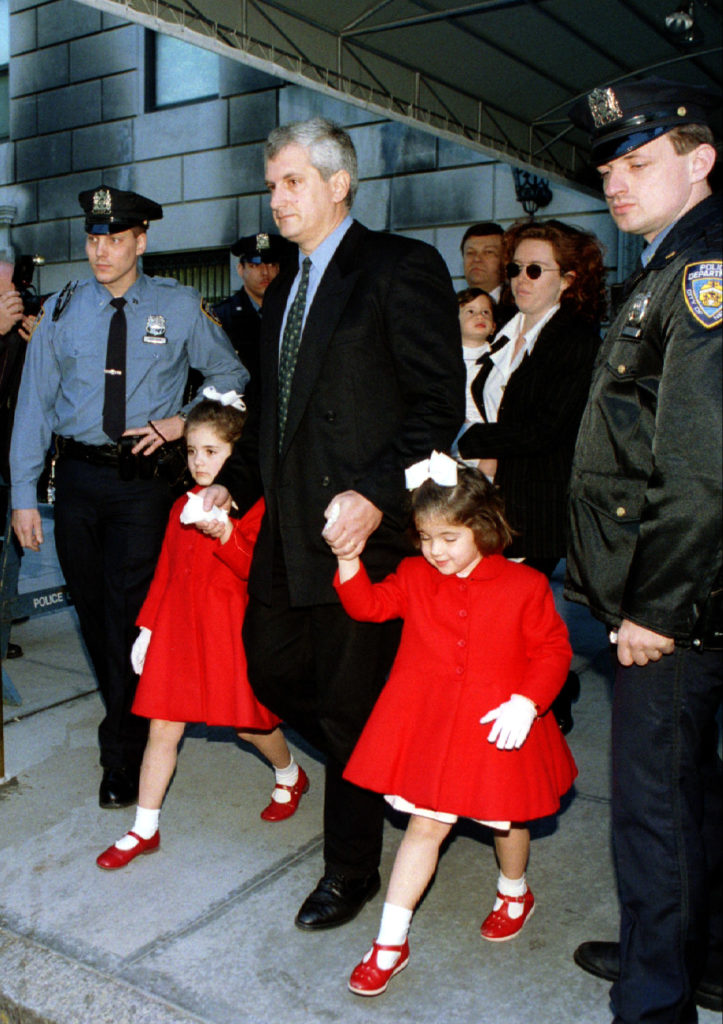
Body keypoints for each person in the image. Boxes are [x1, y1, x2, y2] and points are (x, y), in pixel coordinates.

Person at [201, 117, 465, 931]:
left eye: (292, 182)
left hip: (360, 537)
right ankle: (387, 757)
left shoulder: (398, 266)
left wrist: (375, 495)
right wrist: (231, 487)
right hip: (288, 537)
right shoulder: (284, 285)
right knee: (271, 674)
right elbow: (273, 415)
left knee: (348, 707)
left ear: (337, 183)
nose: (276, 199)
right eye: (271, 185)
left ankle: (349, 870)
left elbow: (436, 406)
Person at [9, 186, 248, 810]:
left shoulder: (179, 305)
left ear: (141, 241)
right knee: (95, 616)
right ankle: (130, 723)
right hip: (78, 482)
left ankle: (123, 752)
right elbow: (34, 404)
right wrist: (23, 495)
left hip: (143, 483)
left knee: (130, 615)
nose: (101, 251)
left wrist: (180, 423)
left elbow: (231, 376)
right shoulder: (62, 309)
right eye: (94, 239)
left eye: (115, 239)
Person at [566, 78, 722, 1022]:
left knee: (653, 815)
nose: (614, 183)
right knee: (691, 794)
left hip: (677, 602)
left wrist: (653, 609)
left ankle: (653, 1000)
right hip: (685, 589)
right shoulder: (668, 263)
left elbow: (701, 464)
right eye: (606, 169)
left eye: (637, 161)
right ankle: (698, 957)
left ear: (699, 160)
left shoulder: (703, 272)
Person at [331, 454, 576, 996]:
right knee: (425, 825)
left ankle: (514, 891)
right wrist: (349, 561)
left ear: (483, 527)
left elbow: (553, 650)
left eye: (449, 538)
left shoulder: (524, 584)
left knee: (506, 819)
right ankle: (389, 943)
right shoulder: (414, 574)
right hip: (433, 723)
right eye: (425, 538)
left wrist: (528, 702)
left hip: (497, 721)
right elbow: (370, 607)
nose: (435, 551)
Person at [96, 395, 307, 871]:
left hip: (228, 632)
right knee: (162, 727)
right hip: (178, 631)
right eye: (192, 451)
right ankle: (143, 828)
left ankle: (289, 773)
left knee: (250, 725)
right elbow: (165, 573)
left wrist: (226, 532)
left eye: (212, 452)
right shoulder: (179, 507)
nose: (199, 461)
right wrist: (148, 629)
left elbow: (255, 572)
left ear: (238, 454)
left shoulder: (255, 509)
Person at [458, 218, 605, 733]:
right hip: (488, 493)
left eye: (536, 270)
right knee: (503, 617)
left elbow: (546, 427)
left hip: (535, 500)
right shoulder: (504, 327)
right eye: (516, 268)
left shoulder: (574, 338)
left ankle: (547, 704)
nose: (521, 279)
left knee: (509, 615)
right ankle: (545, 693)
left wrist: (465, 440)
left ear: (568, 278)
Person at [0, 258, 38, 661]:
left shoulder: (21, 334)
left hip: (12, 462)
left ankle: (2, 623)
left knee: (9, 554)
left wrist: (41, 344)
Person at [213, 232, 296, 390]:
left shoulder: (294, 312)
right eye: (255, 265)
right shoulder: (222, 316)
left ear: (279, 269)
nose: (265, 272)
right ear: (240, 269)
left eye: (270, 264)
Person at [456, 286, 499, 480]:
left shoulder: (500, 360)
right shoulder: (444, 362)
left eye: (486, 312)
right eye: (470, 311)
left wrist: (491, 457)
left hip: (486, 451)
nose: (480, 316)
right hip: (451, 448)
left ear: (494, 326)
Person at [460, 222, 515, 325]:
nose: (476, 259)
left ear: (505, 260)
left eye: (488, 252)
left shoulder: (518, 308)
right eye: (470, 253)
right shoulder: (450, 308)